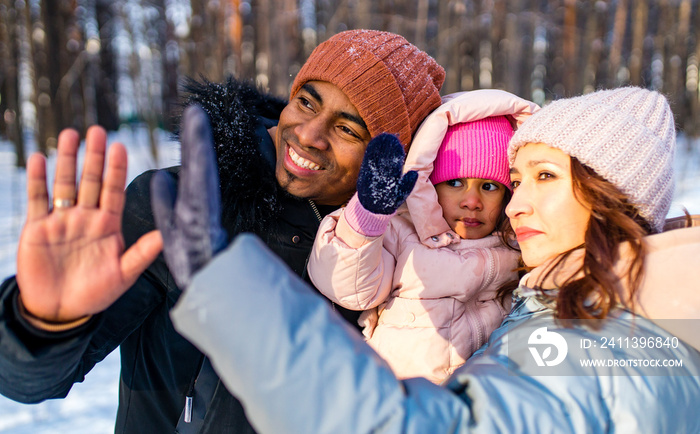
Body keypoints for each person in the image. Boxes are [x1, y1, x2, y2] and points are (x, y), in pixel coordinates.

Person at [167, 86, 700, 433]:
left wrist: (232, 293)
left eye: (544, 177)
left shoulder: (599, 342)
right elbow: (349, 281)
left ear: (608, 193)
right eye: (518, 181)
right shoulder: (605, 306)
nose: (516, 203)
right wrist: (367, 220)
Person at [0, 29, 445, 433]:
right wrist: (43, 321)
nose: (309, 134)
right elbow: (28, 384)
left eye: (348, 128)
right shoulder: (180, 205)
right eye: (307, 102)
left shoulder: (397, 267)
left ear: (391, 162)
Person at [308, 90, 537, 383]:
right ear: (428, 185)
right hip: (400, 398)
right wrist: (367, 220)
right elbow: (348, 287)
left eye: (489, 186)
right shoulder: (403, 233)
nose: (472, 201)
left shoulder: (518, 247)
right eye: (454, 182)